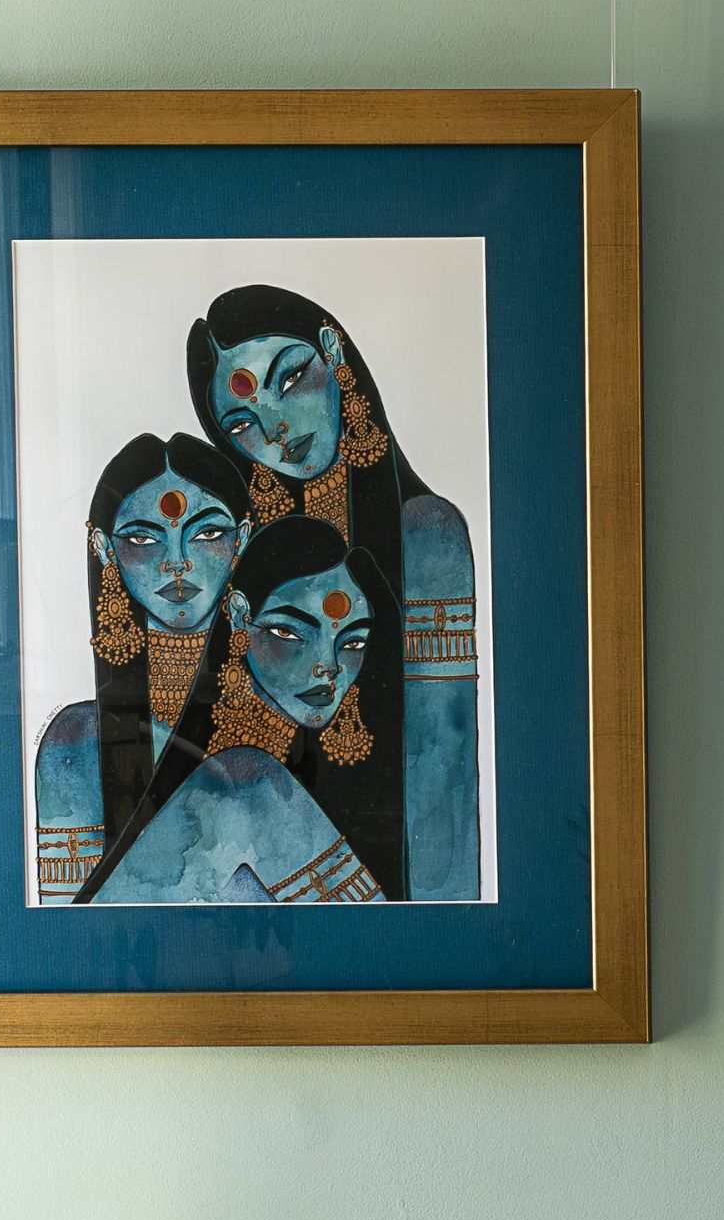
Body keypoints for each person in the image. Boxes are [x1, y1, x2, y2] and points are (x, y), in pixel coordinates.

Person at [179, 281, 482, 902]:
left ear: (331, 351)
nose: (277, 430)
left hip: (386, 902)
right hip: (257, 890)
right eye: (242, 423)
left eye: (290, 383)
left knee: (248, 793)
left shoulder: (426, 536)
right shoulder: (243, 557)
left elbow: (442, 786)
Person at [77, 516, 395, 905]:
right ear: (241, 613)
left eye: (353, 643)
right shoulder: (248, 782)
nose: (327, 666)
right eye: (290, 633)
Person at [28, 430, 249, 899]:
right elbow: (71, 927)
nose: (177, 563)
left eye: (207, 533)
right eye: (144, 539)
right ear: (105, 549)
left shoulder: (290, 699)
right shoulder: (76, 742)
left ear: (242, 541)